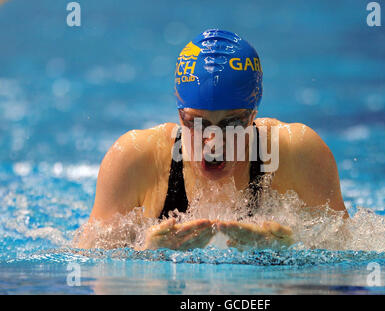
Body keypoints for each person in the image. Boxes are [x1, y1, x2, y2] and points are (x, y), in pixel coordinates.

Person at [77, 29, 347, 251]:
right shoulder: (133, 158)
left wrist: (290, 256)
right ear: (180, 115)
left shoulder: (297, 152)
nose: (213, 143)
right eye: (197, 123)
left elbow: (351, 267)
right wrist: (147, 257)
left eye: (232, 123)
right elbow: (88, 271)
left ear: (254, 114)